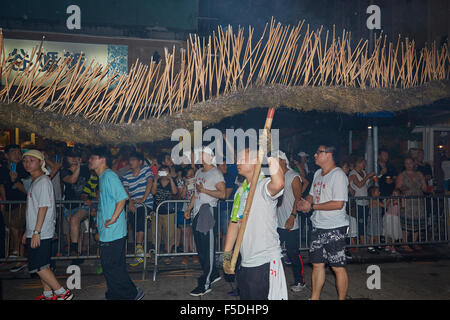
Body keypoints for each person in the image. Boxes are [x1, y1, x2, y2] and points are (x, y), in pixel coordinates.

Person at [222, 148, 286, 300]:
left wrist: (269, 156)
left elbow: (279, 184)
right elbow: (233, 224)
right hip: (245, 261)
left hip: (265, 260)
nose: (238, 162)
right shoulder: (240, 191)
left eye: (242, 159)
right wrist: (226, 256)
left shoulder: (264, 185)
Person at [88, 146, 144, 300]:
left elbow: (121, 198)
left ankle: (131, 294)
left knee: (111, 268)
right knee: (113, 267)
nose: (90, 161)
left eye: (93, 157)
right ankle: (115, 294)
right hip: (108, 231)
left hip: (113, 231)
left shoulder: (109, 176)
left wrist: (113, 218)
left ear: (102, 159)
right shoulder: (103, 177)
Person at [297, 144, 349, 300]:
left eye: (318, 152)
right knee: (317, 264)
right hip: (318, 225)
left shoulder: (338, 175)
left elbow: (338, 203)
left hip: (334, 227)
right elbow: (312, 194)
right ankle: (315, 298)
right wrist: (305, 203)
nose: (315, 155)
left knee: (337, 266)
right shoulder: (318, 173)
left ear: (329, 154)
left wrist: (312, 206)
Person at [21, 149, 73, 300]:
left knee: (38, 266)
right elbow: (33, 209)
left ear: (41, 162)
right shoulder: (36, 181)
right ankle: (48, 294)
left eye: (32, 160)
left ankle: (63, 293)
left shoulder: (43, 181)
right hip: (35, 229)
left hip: (41, 231)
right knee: (43, 264)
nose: (27, 163)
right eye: (25, 160)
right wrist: (27, 231)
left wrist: (36, 232)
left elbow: (43, 207)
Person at [184, 146, 226, 297]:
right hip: (197, 213)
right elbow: (196, 192)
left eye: (203, 154)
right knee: (201, 249)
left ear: (211, 156)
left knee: (208, 249)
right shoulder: (199, 172)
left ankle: (206, 284)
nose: (200, 156)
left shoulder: (216, 173)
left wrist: (205, 191)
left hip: (207, 212)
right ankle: (213, 273)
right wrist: (189, 209)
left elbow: (222, 194)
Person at [273, 150, 306, 293]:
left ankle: (300, 281)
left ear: (283, 161)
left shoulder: (293, 176)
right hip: (277, 222)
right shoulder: (277, 176)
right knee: (274, 252)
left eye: (275, 160)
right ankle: (276, 279)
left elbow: (298, 198)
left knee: (293, 253)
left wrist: (292, 216)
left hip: (289, 222)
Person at [121, 151, 154, 267]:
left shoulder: (145, 170)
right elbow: (126, 191)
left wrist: (144, 198)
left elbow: (150, 182)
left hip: (146, 204)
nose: (131, 162)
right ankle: (139, 252)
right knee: (134, 225)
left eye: (133, 160)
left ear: (140, 162)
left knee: (140, 216)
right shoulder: (126, 175)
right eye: (130, 160)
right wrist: (130, 203)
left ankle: (139, 248)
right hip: (133, 204)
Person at [0, 144, 29, 272]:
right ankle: (20, 259)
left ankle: (17, 253)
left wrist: (16, 181)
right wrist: (4, 202)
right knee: (15, 229)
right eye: (13, 152)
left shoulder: (24, 168)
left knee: (16, 227)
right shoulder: (2, 170)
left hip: (22, 203)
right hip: (9, 204)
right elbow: (1, 186)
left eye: (19, 152)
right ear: (6, 155)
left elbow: (28, 190)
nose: (17, 154)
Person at [60, 148, 91, 260]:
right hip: (69, 205)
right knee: (73, 231)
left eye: (76, 156)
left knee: (74, 220)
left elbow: (93, 185)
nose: (73, 159)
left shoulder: (86, 170)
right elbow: (72, 180)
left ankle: (74, 249)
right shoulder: (64, 171)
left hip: (83, 204)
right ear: (66, 158)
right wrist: (78, 167)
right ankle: (76, 256)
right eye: (71, 156)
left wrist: (91, 198)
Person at [395, 157, 427, 252]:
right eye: (406, 163)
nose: (408, 165)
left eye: (410, 163)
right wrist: (402, 188)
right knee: (407, 223)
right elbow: (397, 188)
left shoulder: (419, 174)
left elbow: (424, 187)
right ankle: (405, 243)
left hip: (418, 200)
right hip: (407, 201)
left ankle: (414, 242)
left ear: (414, 163)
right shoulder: (402, 175)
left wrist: (427, 187)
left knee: (418, 222)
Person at [151, 165, 178, 263]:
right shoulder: (157, 182)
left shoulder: (172, 181)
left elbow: (175, 192)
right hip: (157, 211)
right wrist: (155, 180)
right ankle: (157, 254)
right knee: (155, 233)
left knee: (169, 234)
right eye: (161, 171)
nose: (164, 173)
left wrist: (170, 179)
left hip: (169, 212)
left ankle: (168, 254)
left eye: (166, 171)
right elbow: (153, 193)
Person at [348, 158, 375, 246]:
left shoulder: (363, 172)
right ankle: (362, 242)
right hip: (358, 201)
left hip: (365, 201)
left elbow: (365, 185)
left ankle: (363, 241)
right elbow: (359, 185)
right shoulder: (353, 173)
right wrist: (367, 177)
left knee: (365, 221)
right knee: (360, 221)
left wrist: (371, 177)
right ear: (358, 163)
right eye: (363, 163)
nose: (365, 165)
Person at [177, 167, 196, 265]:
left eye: (192, 175)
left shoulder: (199, 179)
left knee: (194, 232)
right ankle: (185, 255)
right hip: (184, 209)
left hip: (196, 208)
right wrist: (185, 185)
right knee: (185, 232)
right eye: (189, 176)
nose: (191, 177)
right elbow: (181, 196)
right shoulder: (181, 181)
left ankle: (194, 253)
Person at [383, 189, 403, 254]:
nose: (394, 194)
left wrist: (402, 199)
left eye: (396, 193)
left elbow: (403, 207)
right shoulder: (390, 199)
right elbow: (385, 205)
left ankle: (393, 246)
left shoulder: (399, 201)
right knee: (388, 231)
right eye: (393, 193)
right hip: (388, 216)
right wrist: (389, 199)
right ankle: (387, 244)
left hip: (395, 218)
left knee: (394, 232)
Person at [367, 186, 384, 253]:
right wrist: (388, 200)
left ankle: (377, 244)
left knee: (377, 232)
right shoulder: (374, 200)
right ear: (373, 193)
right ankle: (370, 246)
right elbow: (383, 205)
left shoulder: (376, 199)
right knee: (372, 232)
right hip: (373, 218)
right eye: (377, 191)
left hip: (377, 218)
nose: (379, 192)